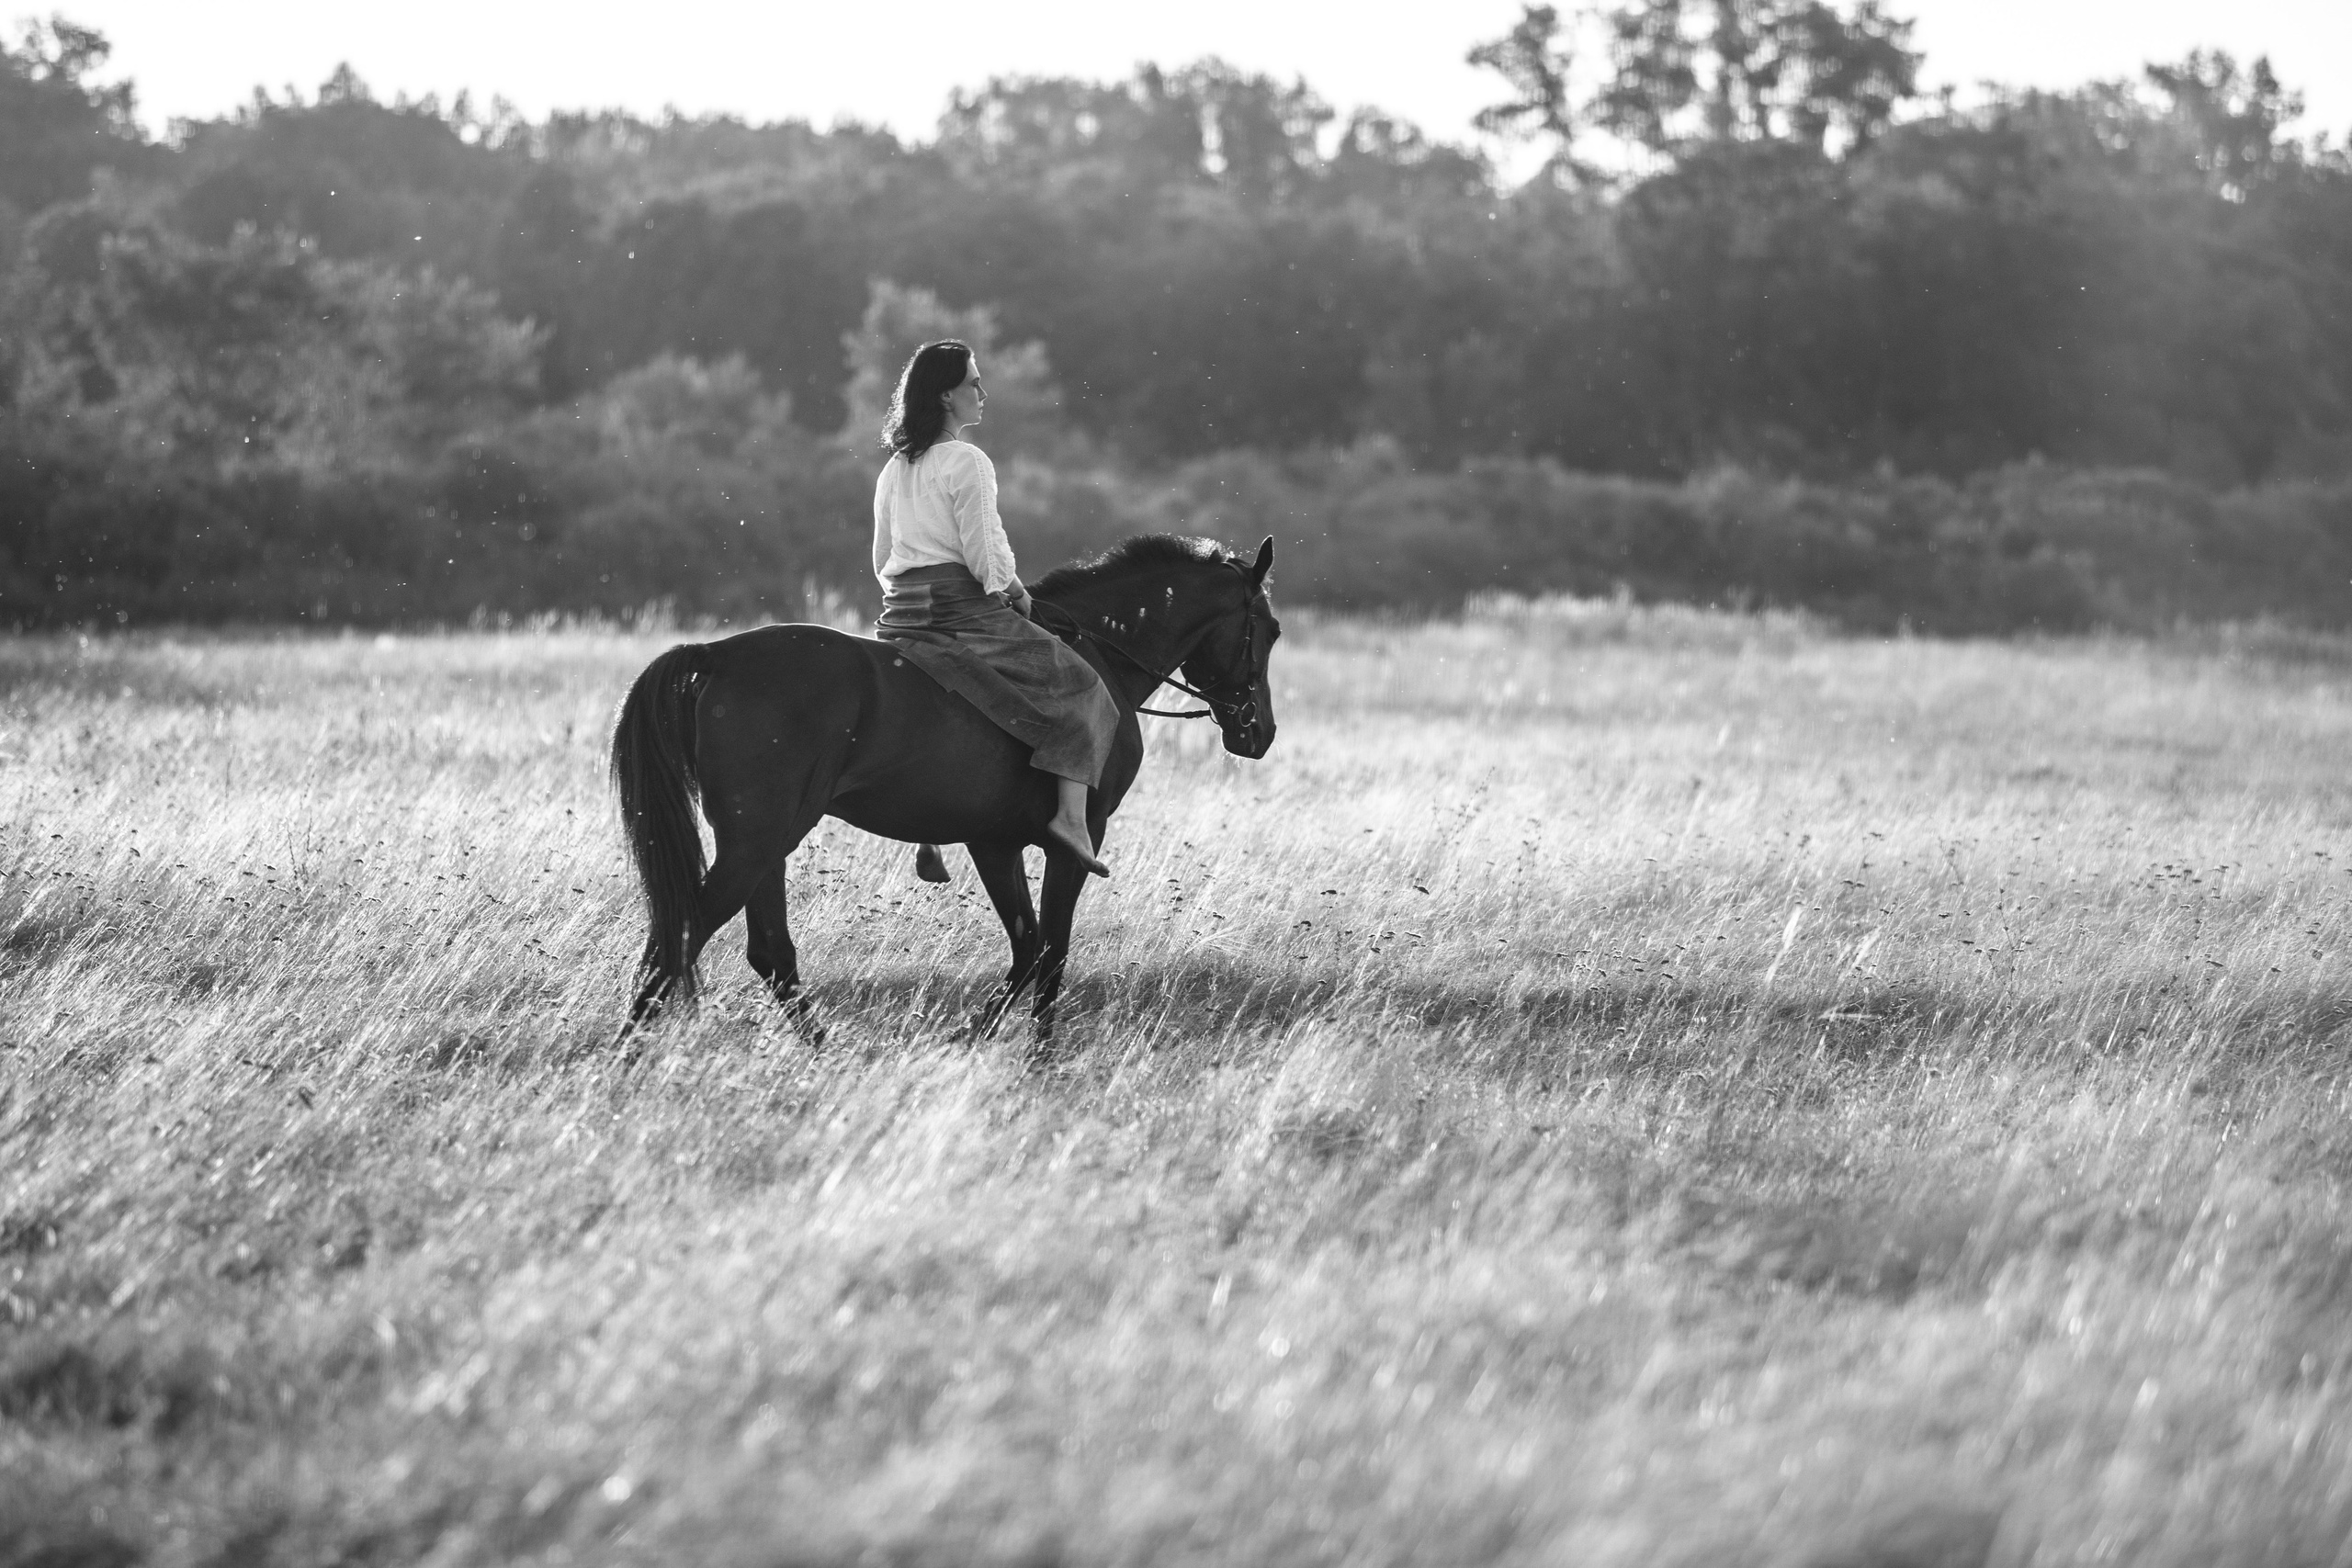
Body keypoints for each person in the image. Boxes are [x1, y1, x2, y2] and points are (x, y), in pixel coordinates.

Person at [871, 339, 1115, 877]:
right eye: (973, 383)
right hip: (961, 612)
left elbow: (882, 557)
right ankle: (1071, 821)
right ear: (944, 396)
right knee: (1083, 689)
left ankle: (929, 829)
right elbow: (983, 550)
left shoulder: (894, 470)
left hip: (902, 614)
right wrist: (1011, 589)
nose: (984, 392)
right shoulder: (968, 462)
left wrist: (1002, 582)